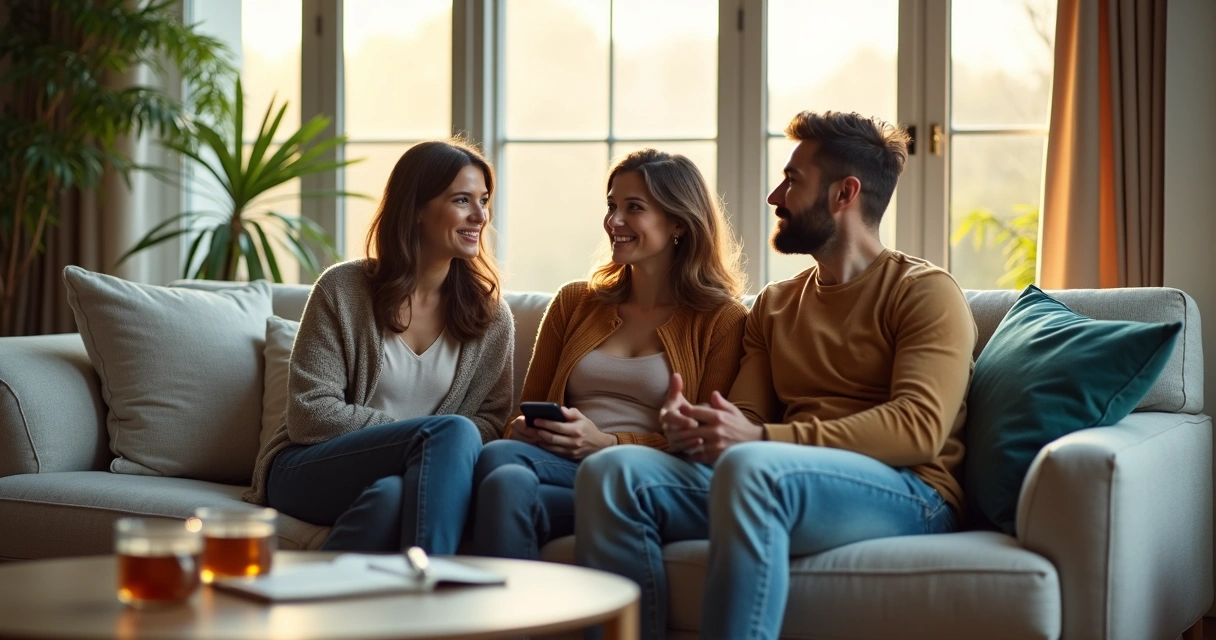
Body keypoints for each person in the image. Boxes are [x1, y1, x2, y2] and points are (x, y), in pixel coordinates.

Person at [574, 112, 978, 639]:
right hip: (779, 476)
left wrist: (762, 439)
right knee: (614, 475)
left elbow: (918, 428)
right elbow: (745, 416)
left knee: (752, 469)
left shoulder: (924, 291)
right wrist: (699, 427)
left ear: (844, 193)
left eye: (792, 180)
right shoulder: (777, 303)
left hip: (910, 491)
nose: (774, 197)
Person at [471, 149, 748, 561]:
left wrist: (607, 443)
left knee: (505, 480)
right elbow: (523, 412)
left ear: (678, 223)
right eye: (611, 205)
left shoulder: (722, 319)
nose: (613, 222)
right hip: (559, 466)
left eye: (633, 208)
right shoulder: (574, 302)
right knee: (500, 457)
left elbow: (708, 442)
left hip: (644, 477)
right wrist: (528, 430)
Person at [242, 139, 514, 555]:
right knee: (452, 431)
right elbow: (310, 414)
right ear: (417, 208)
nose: (481, 216)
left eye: (484, 200)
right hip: (308, 467)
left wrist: (424, 450)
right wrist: (420, 437)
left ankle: (330, 603)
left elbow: (491, 424)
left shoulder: (491, 318)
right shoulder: (343, 289)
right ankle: (437, 596)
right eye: (463, 200)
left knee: (390, 498)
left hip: (414, 477)